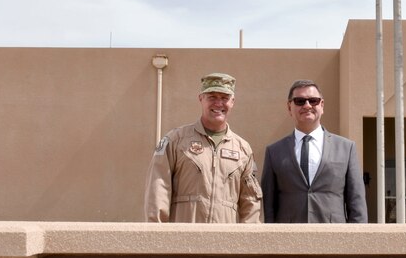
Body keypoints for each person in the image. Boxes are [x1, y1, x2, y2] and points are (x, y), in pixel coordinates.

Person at [144, 73, 263, 223]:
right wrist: (158, 234)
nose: (218, 103)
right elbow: (158, 188)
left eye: (224, 98)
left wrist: (248, 240)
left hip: (224, 241)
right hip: (183, 239)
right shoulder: (176, 140)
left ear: (232, 102)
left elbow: (250, 202)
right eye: (212, 97)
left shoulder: (243, 150)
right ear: (201, 98)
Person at [261, 79, 368, 223]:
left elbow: (356, 202)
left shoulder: (346, 148)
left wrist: (356, 240)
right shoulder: (274, 152)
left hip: (334, 238)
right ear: (289, 107)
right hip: (288, 239)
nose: (307, 105)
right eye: (299, 101)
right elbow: (268, 206)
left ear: (322, 105)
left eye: (313, 101)